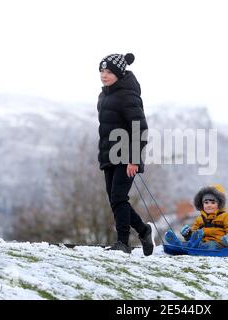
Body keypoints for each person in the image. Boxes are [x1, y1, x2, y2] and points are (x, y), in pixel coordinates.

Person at [97, 52, 154, 255]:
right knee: (116, 200)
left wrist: (133, 159)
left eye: (109, 71)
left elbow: (140, 128)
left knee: (119, 198)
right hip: (109, 156)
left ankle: (123, 243)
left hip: (126, 156)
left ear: (119, 73)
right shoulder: (104, 95)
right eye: (102, 71)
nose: (104, 75)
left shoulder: (128, 95)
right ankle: (143, 230)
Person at [165, 184, 228, 249]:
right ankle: (178, 244)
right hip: (202, 243)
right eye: (206, 202)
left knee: (209, 245)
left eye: (213, 202)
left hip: (220, 245)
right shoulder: (200, 219)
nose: (209, 205)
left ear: (219, 204)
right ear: (202, 204)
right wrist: (188, 234)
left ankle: (190, 247)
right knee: (196, 243)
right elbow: (194, 234)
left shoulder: (226, 216)